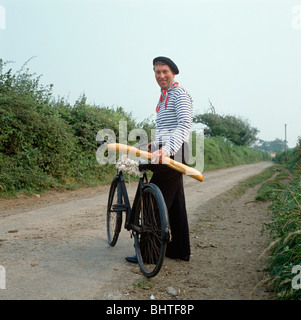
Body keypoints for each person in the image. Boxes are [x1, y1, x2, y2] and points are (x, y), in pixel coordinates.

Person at [126, 56, 193, 263]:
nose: (161, 75)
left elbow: (183, 126)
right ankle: (179, 251)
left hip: (177, 151)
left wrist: (167, 150)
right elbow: (166, 130)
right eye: (157, 71)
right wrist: (155, 146)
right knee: (175, 204)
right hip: (167, 150)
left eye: (165, 71)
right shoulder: (164, 96)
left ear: (173, 73)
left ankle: (148, 254)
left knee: (152, 199)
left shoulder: (179, 94)